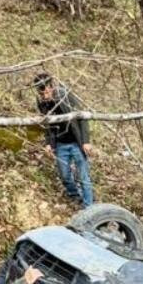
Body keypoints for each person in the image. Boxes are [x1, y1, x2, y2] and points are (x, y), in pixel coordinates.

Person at [33, 72, 94, 207]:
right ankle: (75, 196)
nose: (43, 94)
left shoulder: (65, 95)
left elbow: (81, 117)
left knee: (83, 177)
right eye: (40, 91)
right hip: (61, 144)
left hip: (76, 143)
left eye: (45, 89)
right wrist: (49, 143)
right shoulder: (42, 103)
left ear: (51, 86)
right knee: (65, 176)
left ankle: (88, 206)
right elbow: (47, 125)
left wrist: (85, 141)